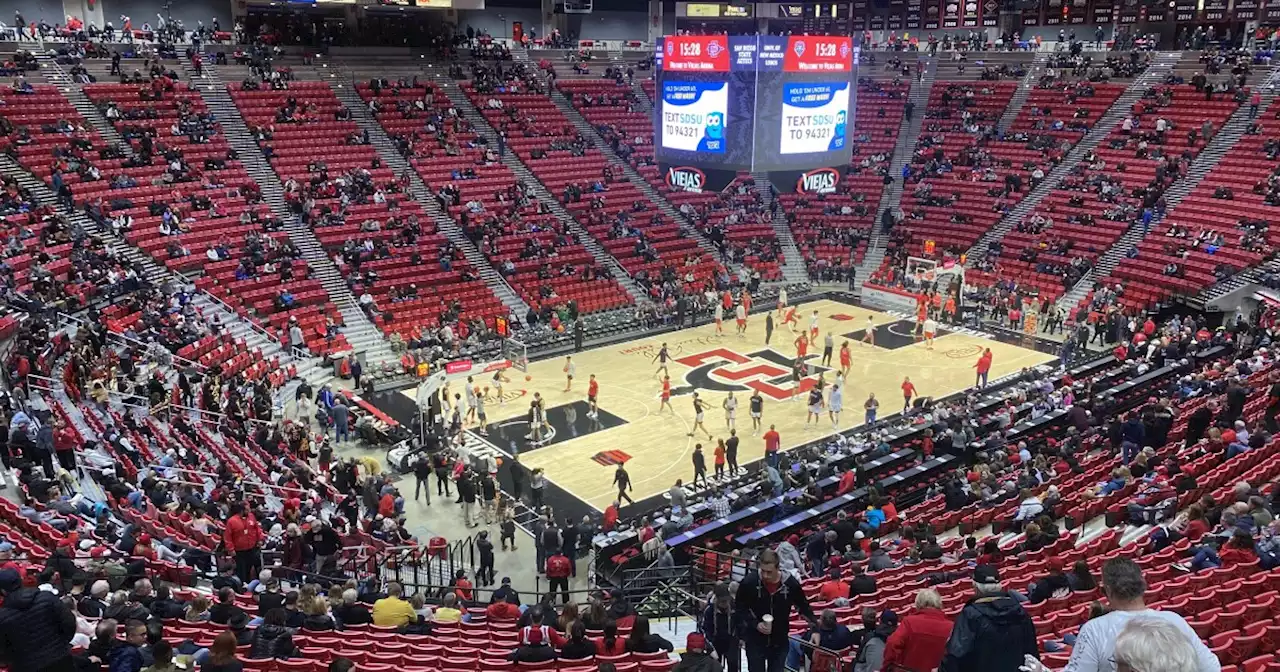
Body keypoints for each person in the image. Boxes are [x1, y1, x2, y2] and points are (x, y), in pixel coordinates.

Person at [1061, 558, 1219, 672]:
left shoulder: (1094, 630)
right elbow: (1211, 667)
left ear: (1107, 591)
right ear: (1142, 586)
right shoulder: (1174, 620)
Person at [940, 565, 1038, 672]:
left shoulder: (970, 616)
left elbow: (955, 656)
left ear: (975, 587)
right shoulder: (1021, 613)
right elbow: (1032, 657)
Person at [735, 549, 816, 672]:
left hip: (780, 639)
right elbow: (740, 607)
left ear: (778, 568)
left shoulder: (790, 584)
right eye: (763, 571)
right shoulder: (749, 582)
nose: (766, 576)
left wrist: (815, 628)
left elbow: (803, 607)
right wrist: (755, 624)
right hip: (755, 639)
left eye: (769, 572)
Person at [0, 567, 76, 672]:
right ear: (21, 581)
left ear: (2, 591)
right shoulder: (47, 597)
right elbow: (70, 623)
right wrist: (61, 645)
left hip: (27, 666)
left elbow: (3, 651)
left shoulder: (2, 617)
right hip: (59, 658)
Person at [883, 589, 952, 672]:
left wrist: (888, 667)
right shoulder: (951, 627)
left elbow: (892, 643)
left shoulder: (909, 622)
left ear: (918, 604)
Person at [701, 584, 740, 672]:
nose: (725, 603)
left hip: (731, 640)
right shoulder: (709, 610)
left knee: (733, 663)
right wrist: (709, 645)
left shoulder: (734, 607)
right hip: (714, 640)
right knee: (715, 666)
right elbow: (704, 628)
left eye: (726, 600)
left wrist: (739, 636)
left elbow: (740, 623)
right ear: (717, 599)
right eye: (722, 601)